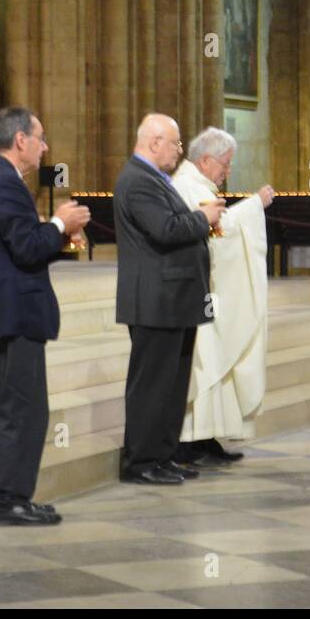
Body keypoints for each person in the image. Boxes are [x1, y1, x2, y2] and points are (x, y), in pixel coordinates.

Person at [0, 106, 90, 526]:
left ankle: (10, 495)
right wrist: (59, 221)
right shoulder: (4, 183)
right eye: (40, 137)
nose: (45, 146)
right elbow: (26, 247)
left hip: (3, 314)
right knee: (23, 412)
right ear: (20, 140)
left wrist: (59, 235)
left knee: (12, 410)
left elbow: (20, 243)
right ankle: (7, 501)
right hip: (11, 316)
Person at [114, 114, 226, 485]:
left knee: (172, 384)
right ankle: (140, 462)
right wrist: (204, 217)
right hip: (155, 300)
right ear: (154, 142)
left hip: (174, 298)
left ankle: (162, 456)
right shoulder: (137, 181)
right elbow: (165, 230)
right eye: (176, 143)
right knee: (151, 386)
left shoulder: (155, 179)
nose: (180, 150)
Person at [170, 128, 275, 467]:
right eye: (225, 164)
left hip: (208, 289)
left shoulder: (197, 184)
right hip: (199, 290)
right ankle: (189, 440)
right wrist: (255, 205)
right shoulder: (188, 186)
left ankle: (205, 435)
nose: (227, 172)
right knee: (206, 361)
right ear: (204, 159)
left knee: (215, 358)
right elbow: (218, 236)